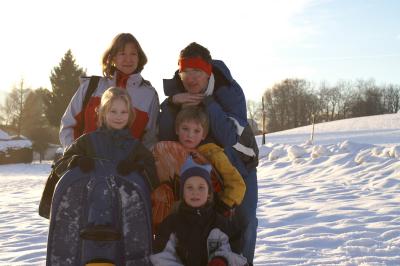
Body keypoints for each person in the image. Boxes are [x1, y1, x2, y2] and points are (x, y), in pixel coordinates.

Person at [159, 42, 259, 264]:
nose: (191, 78)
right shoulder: (177, 92)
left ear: (209, 72)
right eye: (186, 72)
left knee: (244, 222)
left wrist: (208, 102)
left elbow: (228, 137)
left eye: (198, 72)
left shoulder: (229, 91)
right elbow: (165, 134)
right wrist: (172, 103)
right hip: (198, 169)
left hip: (238, 166)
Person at [39, 87, 159, 219]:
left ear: (130, 115)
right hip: (87, 213)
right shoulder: (87, 142)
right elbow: (60, 166)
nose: (118, 117)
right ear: (103, 113)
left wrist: (137, 169)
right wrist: (76, 162)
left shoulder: (136, 148)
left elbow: (152, 177)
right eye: (113, 111)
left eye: (123, 112)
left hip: (124, 215)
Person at [151, 106, 246, 231]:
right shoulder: (167, 151)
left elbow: (237, 184)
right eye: (185, 129)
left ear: (204, 135)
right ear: (177, 130)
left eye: (196, 131)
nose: (190, 135)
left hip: (208, 214)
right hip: (176, 215)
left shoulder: (213, 153)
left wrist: (223, 206)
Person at [60, 33, 159, 150]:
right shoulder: (91, 87)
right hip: (86, 164)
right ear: (112, 58)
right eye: (122, 54)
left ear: (139, 57)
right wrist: (75, 155)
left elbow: (150, 139)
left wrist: (137, 164)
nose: (128, 59)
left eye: (133, 54)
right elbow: (68, 125)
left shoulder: (149, 95)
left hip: (127, 166)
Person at [151, 156, 247, 266]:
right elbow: (161, 257)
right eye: (189, 187)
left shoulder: (221, 224)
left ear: (209, 193)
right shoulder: (170, 224)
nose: (195, 192)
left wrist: (222, 260)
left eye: (201, 187)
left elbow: (238, 257)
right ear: (182, 192)